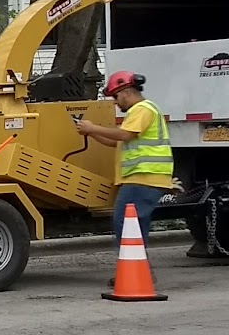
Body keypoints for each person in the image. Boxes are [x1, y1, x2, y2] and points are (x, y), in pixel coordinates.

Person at [74, 70, 176, 243]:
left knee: (125, 222)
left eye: (116, 96)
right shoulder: (140, 111)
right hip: (144, 178)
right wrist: (90, 133)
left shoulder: (142, 109)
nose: (115, 102)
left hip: (143, 177)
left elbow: (124, 135)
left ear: (127, 92)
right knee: (134, 223)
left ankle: (131, 263)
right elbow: (117, 142)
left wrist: (92, 129)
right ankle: (137, 263)